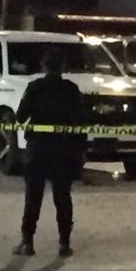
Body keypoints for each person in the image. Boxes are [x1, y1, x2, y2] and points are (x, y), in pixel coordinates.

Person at [12, 47, 86, 257]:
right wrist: (81, 150)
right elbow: (81, 123)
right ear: (63, 67)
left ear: (44, 66)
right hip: (64, 150)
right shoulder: (71, 89)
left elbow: (20, 117)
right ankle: (64, 243)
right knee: (63, 198)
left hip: (38, 150)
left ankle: (27, 242)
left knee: (33, 198)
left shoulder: (35, 87)